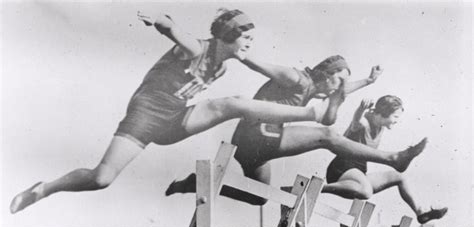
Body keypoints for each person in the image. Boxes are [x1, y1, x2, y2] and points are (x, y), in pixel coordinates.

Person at [10, 9, 330, 214]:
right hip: (145, 118)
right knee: (101, 178)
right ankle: (43, 189)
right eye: (245, 38)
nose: (249, 44)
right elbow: (177, 31)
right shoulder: (197, 49)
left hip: (177, 119)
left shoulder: (220, 67)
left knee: (231, 104)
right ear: (228, 37)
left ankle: (310, 116)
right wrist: (161, 23)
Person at [165, 56, 428, 218]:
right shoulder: (296, 78)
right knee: (327, 136)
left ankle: (198, 182)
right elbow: (265, 68)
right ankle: (393, 158)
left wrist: (368, 81)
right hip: (257, 134)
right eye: (338, 80)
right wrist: (239, 54)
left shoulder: (317, 88)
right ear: (326, 74)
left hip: (254, 145)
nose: (339, 88)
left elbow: (342, 89)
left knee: (260, 197)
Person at [323, 96, 447, 224]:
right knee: (366, 191)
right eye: (395, 117)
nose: (397, 121)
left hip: (358, 171)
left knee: (399, 177)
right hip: (341, 169)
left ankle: (421, 212)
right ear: (383, 113)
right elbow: (356, 121)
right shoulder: (364, 123)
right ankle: (320, 187)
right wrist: (360, 109)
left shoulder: (380, 127)